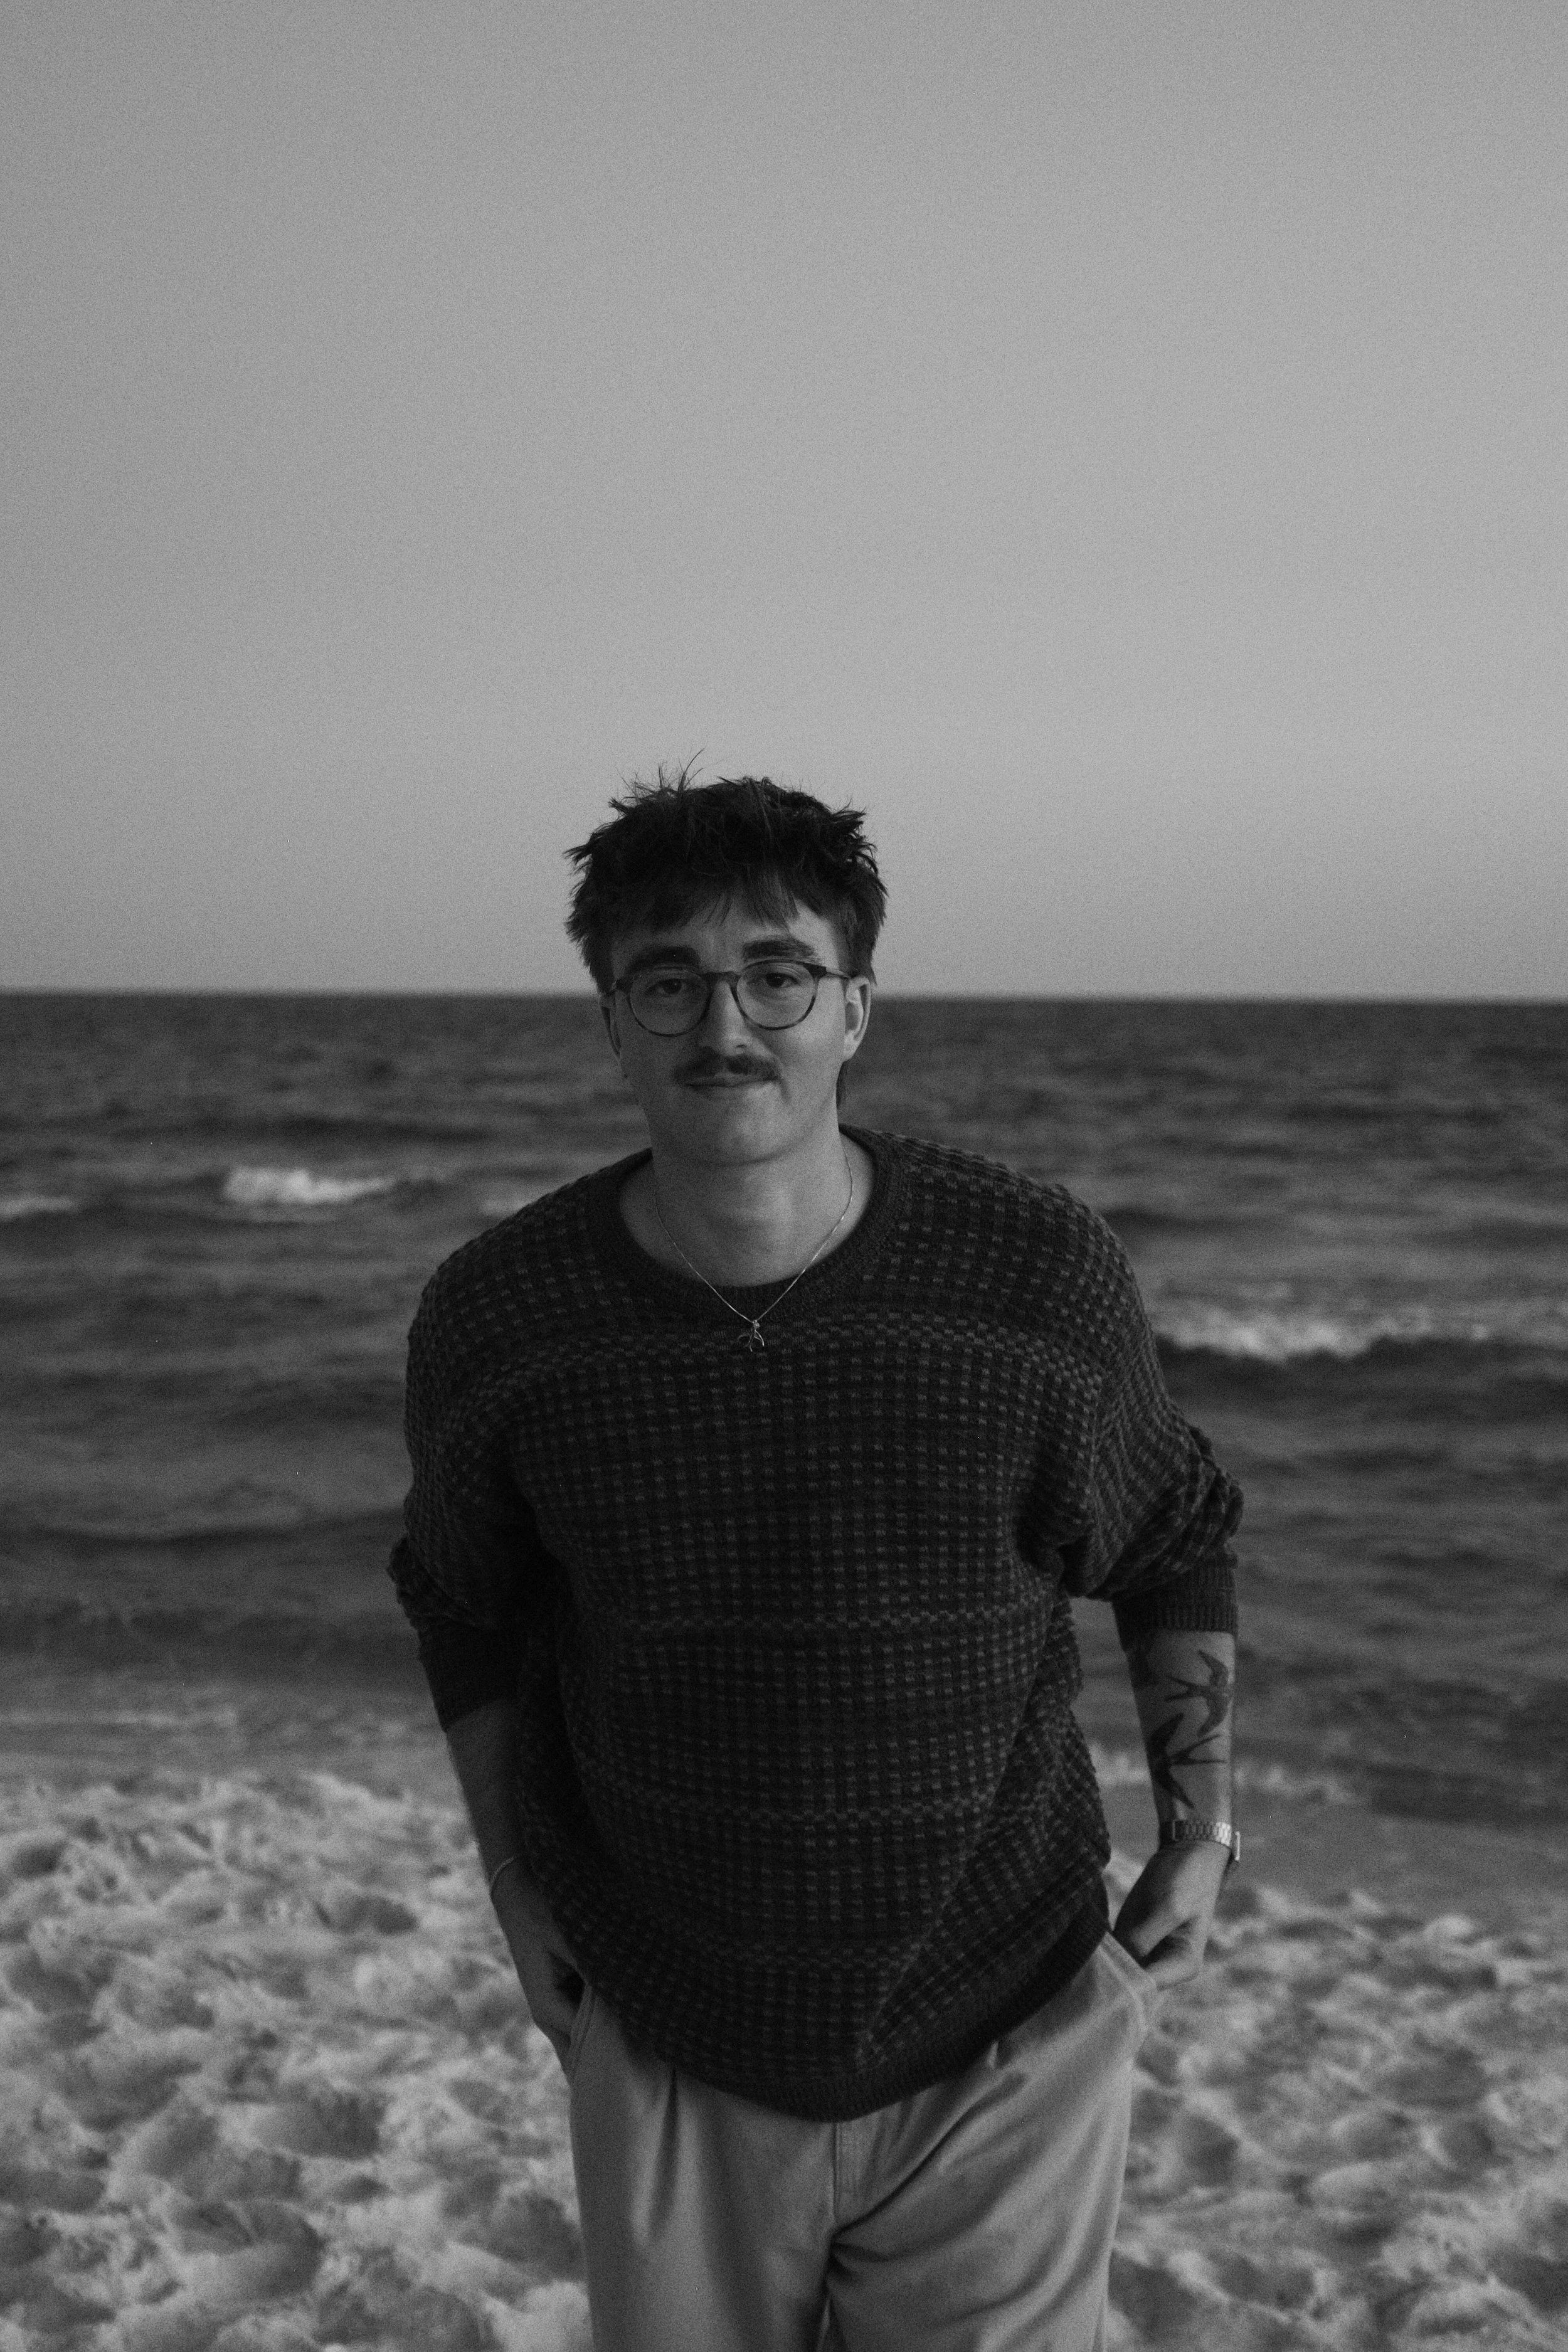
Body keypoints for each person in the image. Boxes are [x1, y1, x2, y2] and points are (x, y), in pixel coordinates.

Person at [388, 770, 1242, 2352]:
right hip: (670, 2027)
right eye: (668, 982)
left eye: (776, 974)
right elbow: (461, 1601)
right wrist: (512, 1891)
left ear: (855, 1007)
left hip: (1008, 2020)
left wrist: (1201, 1832)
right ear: (611, 1020)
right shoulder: (501, 1318)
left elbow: (1174, 1534)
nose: (727, 1025)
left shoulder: (1033, 1279)